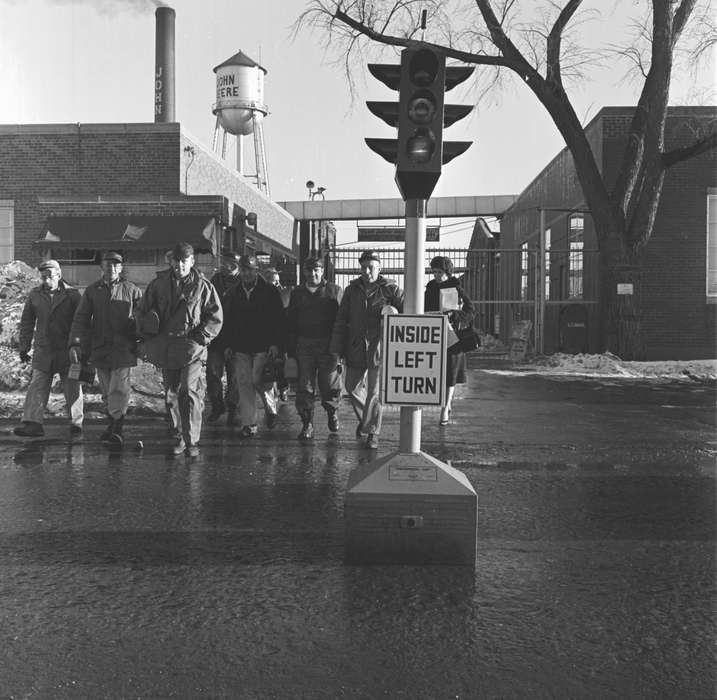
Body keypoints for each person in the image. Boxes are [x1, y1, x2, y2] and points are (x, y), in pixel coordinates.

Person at [137, 242, 223, 457]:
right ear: (171, 261)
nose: (179, 265)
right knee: (171, 394)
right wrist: (147, 331)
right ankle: (178, 436)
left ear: (192, 261)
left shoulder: (203, 286)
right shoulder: (158, 285)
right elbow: (142, 310)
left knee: (188, 391)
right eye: (176, 261)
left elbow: (215, 317)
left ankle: (191, 440)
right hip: (166, 347)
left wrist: (201, 338)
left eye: (184, 261)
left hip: (191, 348)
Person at [329, 250, 404, 450]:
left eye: (371, 267)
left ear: (380, 268)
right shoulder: (352, 290)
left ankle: (373, 433)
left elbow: (409, 312)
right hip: (355, 347)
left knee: (374, 392)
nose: (367, 271)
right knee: (352, 387)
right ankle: (367, 421)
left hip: (379, 348)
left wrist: (394, 312)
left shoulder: (391, 289)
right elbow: (341, 320)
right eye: (363, 267)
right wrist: (336, 350)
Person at [69, 251, 143, 445]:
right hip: (100, 348)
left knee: (119, 389)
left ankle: (117, 428)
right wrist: (76, 343)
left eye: (115, 265)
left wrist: (138, 337)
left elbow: (142, 317)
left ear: (121, 268)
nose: (111, 268)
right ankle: (112, 425)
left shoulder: (132, 290)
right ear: (101, 267)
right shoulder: (93, 291)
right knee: (107, 390)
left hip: (123, 348)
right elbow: (81, 319)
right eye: (107, 265)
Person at [14, 260, 83, 438]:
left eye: (49, 277)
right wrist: (24, 346)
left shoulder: (72, 295)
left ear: (59, 275)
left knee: (72, 387)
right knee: (37, 386)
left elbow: (82, 323)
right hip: (43, 350)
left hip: (66, 351)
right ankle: (33, 423)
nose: (46, 281)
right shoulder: (35, 295)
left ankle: (76, 423)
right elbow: (27, 322)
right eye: (43, 277)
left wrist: (78, 345)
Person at [225, 255, 285, 438]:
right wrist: (228, 344)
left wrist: (275, 344)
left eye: (250, 269)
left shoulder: (269, 291)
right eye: (243, 270)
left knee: (258, 380)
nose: (246, 273)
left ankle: (270, 408)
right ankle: (249, 423)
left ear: (256, 270)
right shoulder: (234, 293)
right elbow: (228, 321)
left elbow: (278, 319)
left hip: (263, 344)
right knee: (244, 384)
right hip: (241, 346)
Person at [286, 256, 343, 440]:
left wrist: (339, 348)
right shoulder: (297, 294)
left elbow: (342, 321)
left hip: (328, 346)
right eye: (309, 270)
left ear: (322, 271)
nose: (313, 274)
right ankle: (307, 423)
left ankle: (332, 412)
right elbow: (291, 322)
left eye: (316, 270)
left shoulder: (334, 291)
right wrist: (290, 348)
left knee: (329, 385)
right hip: (305, 345)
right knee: (305, 387)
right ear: (304, 272)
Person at [424, 255, 476, 425]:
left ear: (447, 272)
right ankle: (445, 403)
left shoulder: (456, 287)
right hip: (433, 334)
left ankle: (445, 407)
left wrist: (457, 315)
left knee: (450, 373)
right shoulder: (430, 287)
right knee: (435, 372)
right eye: (434, 272)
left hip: (452, 336)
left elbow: (471, 311)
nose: (437, 276)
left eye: (440, 272)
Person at [206, 249, 242, 425]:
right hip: (216, 337)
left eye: (228, 262)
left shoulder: (242, 282)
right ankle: (217, 406)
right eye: (223, 261)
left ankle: (233, 408)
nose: (224, 265)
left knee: (234, 376)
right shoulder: (215, 281)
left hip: (235, 337)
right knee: (213, 373)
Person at [265, 266, 290, 401]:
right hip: (267, 333)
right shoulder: (263, 293)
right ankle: (274, 391)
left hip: (281, 334)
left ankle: (282, 387)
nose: (277, 284)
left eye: (278, 281)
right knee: (269, 365)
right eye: (274, 281)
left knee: (280, 363)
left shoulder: (284, 293)